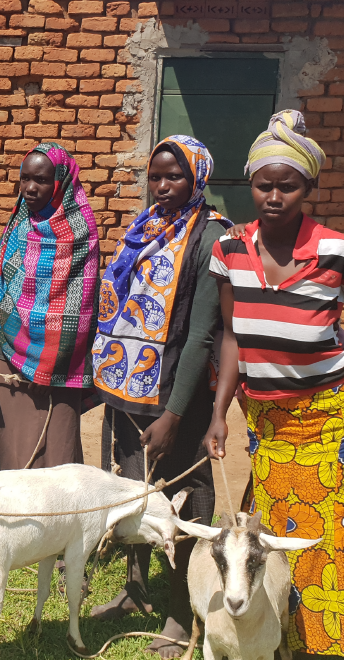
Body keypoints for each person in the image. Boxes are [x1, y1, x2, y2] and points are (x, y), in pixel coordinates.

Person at [206, 110, 342, 660]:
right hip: (265, 426)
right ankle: (276, 642)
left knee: (325, 541)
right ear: (250, 185)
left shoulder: (335, 251)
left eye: (288, 185)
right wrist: (219, 413)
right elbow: (233, 337)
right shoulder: (231, 250)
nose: (275, 196)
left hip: (326, 420)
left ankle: (325, 646)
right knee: (270, 542)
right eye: (265, 184)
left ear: (307, 187)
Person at [90, 136, 230, 658]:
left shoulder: (210, 237)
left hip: (178, 400)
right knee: (133, 493)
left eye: (174, 177)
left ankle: (179, 609)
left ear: (197, 179)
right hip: (128, 395)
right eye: (156, 176)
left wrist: (174, 415)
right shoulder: (145, 229)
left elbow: (201, 335)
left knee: (183, 502)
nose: (162, 186)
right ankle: (135, 588)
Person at [0, 143, 99, 471]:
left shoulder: (79, 233)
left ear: (60, 182)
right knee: (10, 453)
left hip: (55, 372)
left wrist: (47, 367)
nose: (30, 188)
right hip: (10, 357)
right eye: (24, 178)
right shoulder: (21, 223)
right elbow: (5, 296)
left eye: (40, 180)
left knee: (50, 458)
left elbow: (77, 310)